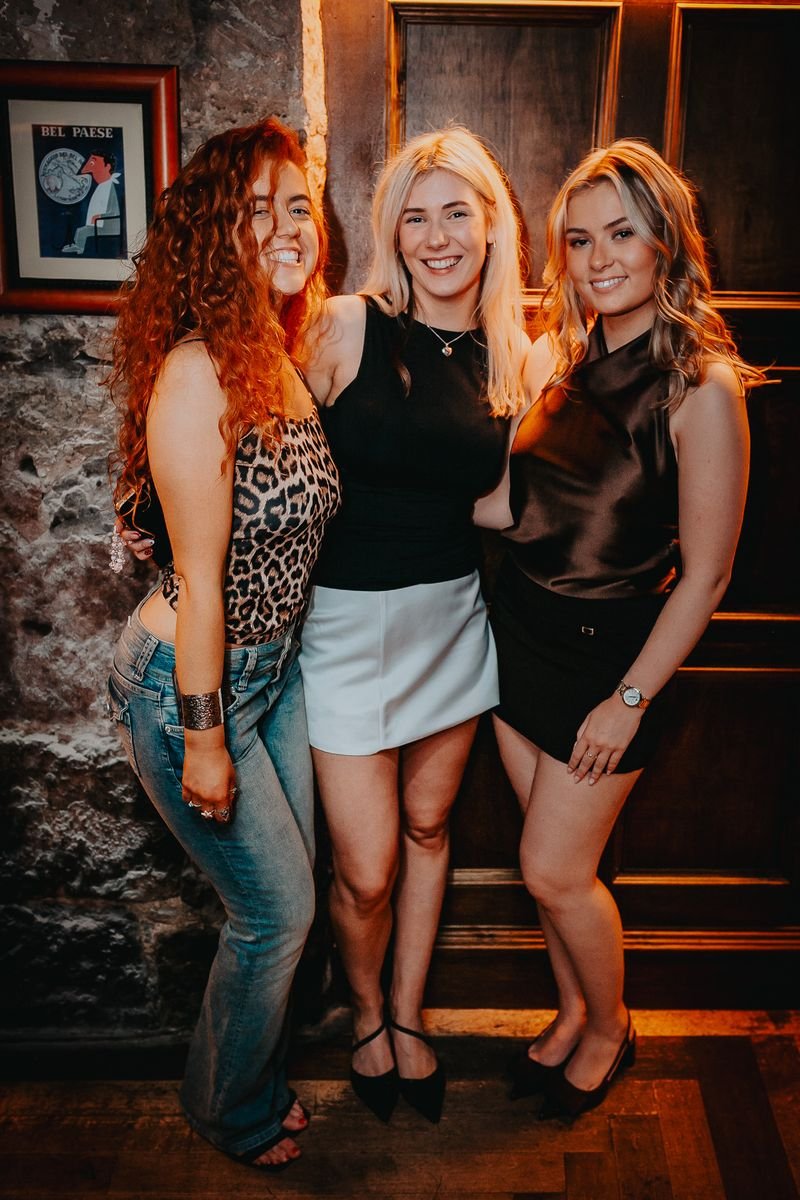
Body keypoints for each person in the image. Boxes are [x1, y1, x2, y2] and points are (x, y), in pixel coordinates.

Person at [479, 138, 761, 1121]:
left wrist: (626, 701)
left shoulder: (702, 387)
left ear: (664, 246)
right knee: (560, 874)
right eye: (578, 239)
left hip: (610, 664)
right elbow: (512, 511)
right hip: (516, 634)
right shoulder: (559, 358)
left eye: (621, 235)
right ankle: (569, 1012)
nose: (598, 258)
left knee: (551, 871)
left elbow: (709, 573)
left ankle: (608, 1030)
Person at [105, 117, 341, 1169]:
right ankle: (228, 1110)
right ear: (216, 232)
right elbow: (200, 578)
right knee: (274, 912)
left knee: (293, 897)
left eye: (299, 205)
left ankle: (246, 1078)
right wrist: (202, 737)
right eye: (258, 209)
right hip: (184, 683)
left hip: (267, 670)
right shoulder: (201, 368)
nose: (287, 226)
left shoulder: (277, 355)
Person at [299, 126, 529, 1123]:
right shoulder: (349, 324)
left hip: (449, 618)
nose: (436, 237)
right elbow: (268, 452)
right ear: (392, 228)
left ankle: (407, 1012)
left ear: (490, 226)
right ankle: (361, 1016)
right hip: (342, 629)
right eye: (415, 214)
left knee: (429, 827)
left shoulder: (516, 352)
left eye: (456, 213)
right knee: (366, 864)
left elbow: (497, 509)